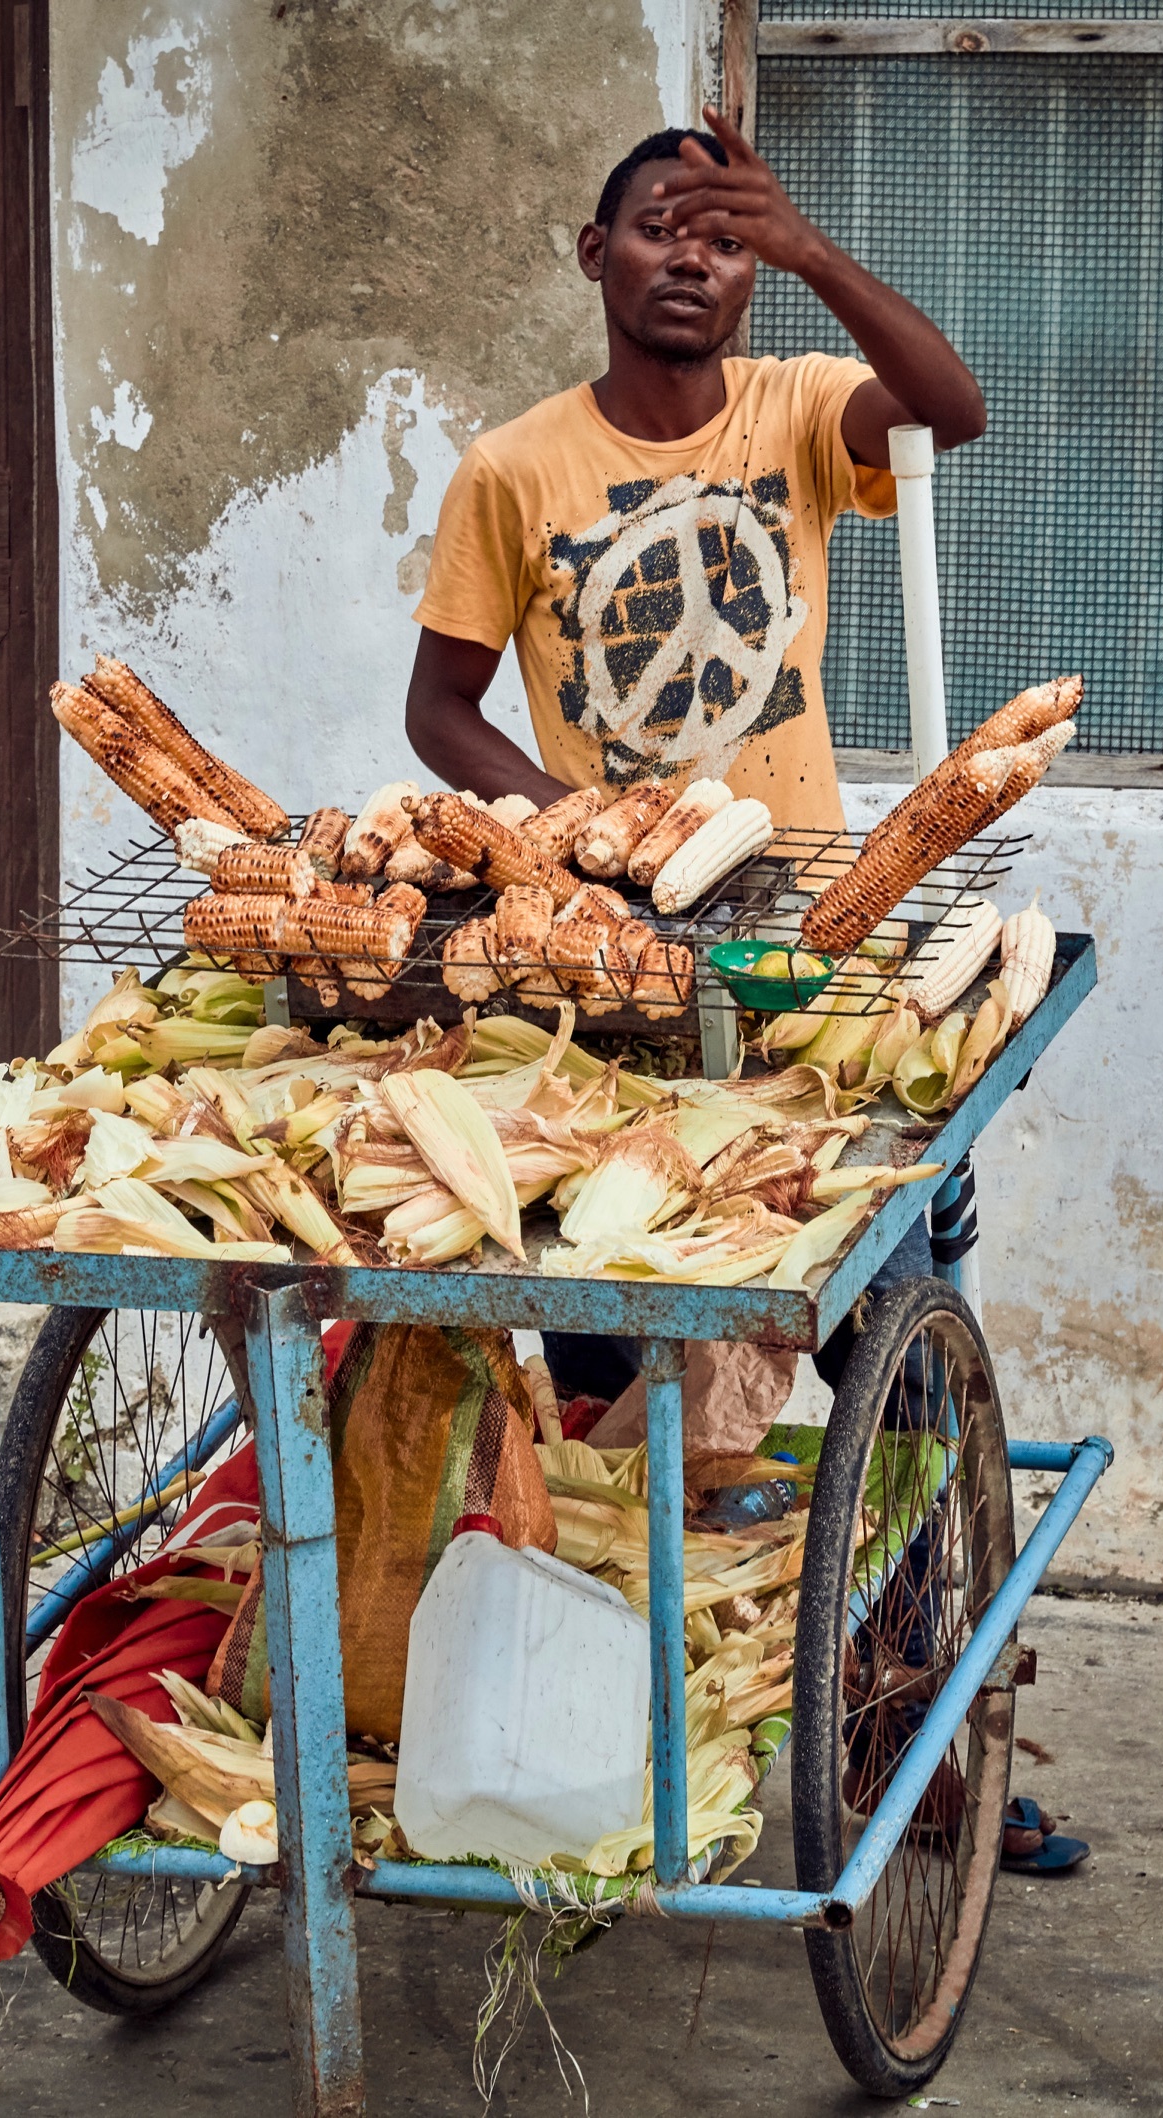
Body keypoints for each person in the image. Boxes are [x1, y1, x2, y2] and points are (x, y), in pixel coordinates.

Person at [403, 105, 983, 1407]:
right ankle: (643, 1561)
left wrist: (814, 254)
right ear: (593, 251)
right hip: (616, 962)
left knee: (866, 1295)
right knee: (609, 1321)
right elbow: (441, 708)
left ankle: (906, 1580)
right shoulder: (512, 471)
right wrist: (586, 831)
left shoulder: (800, 410)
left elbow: (952, 411)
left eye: (727, 241)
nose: (691, 259)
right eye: (661, 230)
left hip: (813, 933)